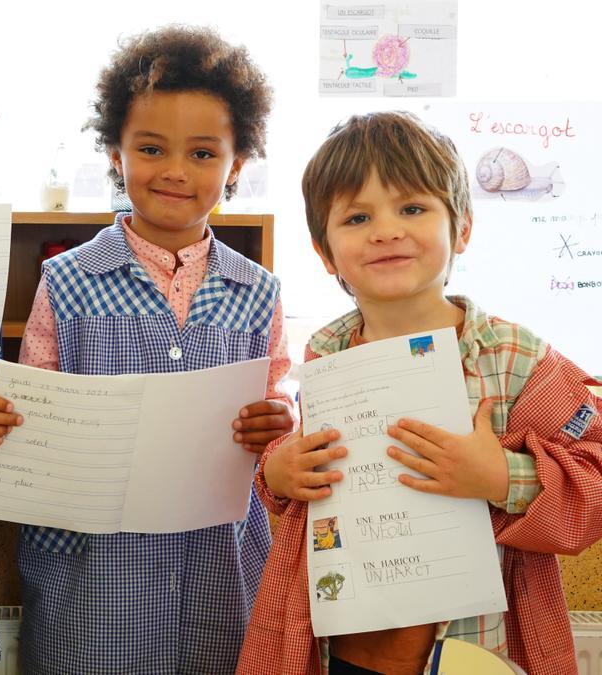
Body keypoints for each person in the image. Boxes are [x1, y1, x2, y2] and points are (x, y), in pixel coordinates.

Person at [0, 25, 294, 674]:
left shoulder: (260, 291)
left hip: (219, 574)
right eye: (150, 147)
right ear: (116, 155)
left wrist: (282, 419)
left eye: (203, 153)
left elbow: (280, 398)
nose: (174, 170)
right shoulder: (66, 281)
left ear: (237, 168)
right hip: (91, 586)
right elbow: (33, 410)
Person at [237, 111, 602, 675]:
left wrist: (502, 477)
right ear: (325, 252)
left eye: (412, 208)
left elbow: (596, 475)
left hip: (472, 648)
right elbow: (310, 474)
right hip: (342, 642)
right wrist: (278, 475)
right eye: (358, 216)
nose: (386, 230)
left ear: (462, 227)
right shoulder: (326, 355)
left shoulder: (513, 356)